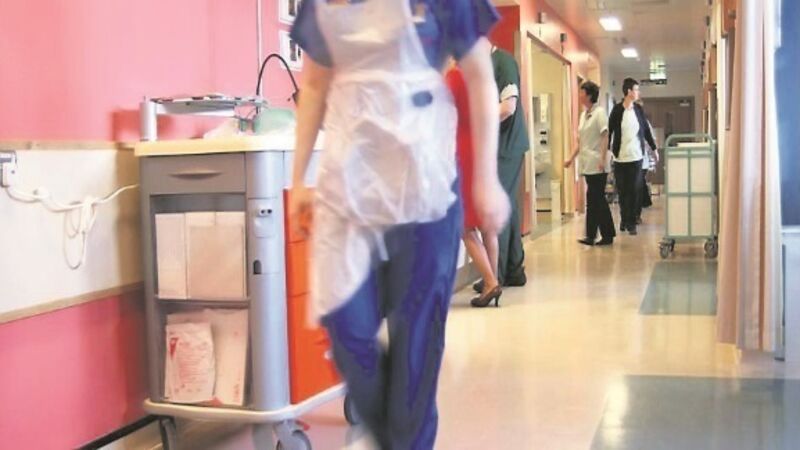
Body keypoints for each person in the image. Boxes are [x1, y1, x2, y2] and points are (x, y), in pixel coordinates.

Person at [288, 1, 509, 448]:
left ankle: (408, 440)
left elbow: (480, 76)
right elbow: (313, 83)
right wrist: (298, 180)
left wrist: (486, 179)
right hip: (349, 186)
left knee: (415, 350)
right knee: (348, 333)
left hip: (425, 185)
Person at [474, 46, 531, 294]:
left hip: (507, 146)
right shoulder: (484, 65)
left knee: (496, 205)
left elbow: (508, 107)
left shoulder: (503, 62)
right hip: (500, 146)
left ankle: (495, 275)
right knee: (509, 206)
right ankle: (514, 269)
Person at [445, 64, 503, 308]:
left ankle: (490, 283)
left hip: (465, 152)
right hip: (485, 149)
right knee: (486, 224)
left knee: (464, 226)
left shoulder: (454, 77)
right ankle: (493, 279)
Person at [564, 81, 615, 246]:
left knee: (597, 199)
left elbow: (605, 136)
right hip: (587, 163)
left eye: (582, 92)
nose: (579, 95)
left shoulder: (600, 113)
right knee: (592, 200)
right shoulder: (583, 115)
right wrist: (571, 158)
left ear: (590, 95)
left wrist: (602, 158)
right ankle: (591, 235)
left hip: (597, 163)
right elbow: (581, 142)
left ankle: (607, 235)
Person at [607, 78, 658, 236]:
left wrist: (654, 149)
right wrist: (607, 152)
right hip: (620, 158)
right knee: (623, 191)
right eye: (636, 89)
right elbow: (609, 131)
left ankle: (631, 222)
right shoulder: (617, 110)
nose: (638, 92)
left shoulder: (638, 110)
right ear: (629, 92)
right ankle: (624, 219)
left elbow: (646, 131)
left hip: (636, 157)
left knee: (635, 190)